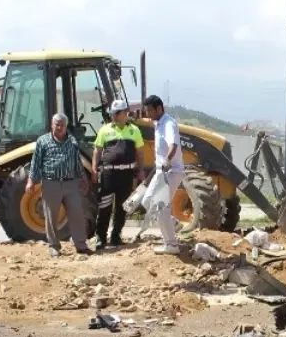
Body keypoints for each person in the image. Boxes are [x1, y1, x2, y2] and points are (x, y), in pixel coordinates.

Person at [28, 112, 92, 257]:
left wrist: (83, 178)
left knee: (77, 215)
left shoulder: (72, 141)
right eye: (56, 125)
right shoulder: (43, 141)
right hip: (51, 183)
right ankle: (54, 246)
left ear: (66, 126)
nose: (59, 128)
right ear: (52, 125)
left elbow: (77, 162)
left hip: (71, 183)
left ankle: (81, 245)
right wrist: (31, 180)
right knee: (51, 217)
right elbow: (35, 162)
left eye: (62, 125)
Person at [91, 99, 145, 249]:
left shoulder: (134, 130)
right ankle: (100, 238)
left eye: (116, 113)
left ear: (124, 113)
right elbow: (97, 150)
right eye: (112, 114)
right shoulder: (105, 130)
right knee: (105, 206)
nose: (113, 116)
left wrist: (140, 170)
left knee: (122, 207)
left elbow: (140, 152)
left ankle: (116, 236)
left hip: (126, 174)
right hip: (108, 174)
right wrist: (94, 169)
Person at [142, 94, 184, 255]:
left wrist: (167, 160)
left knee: (160, 208)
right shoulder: (158, 123)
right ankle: (172, 223)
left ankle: (171, 244)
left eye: (150, 111)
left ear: (159, 109)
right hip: (161, 171)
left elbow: (173, 145)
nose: (148, 114)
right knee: (147, 202)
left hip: (171, 171)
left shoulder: (168, 124)